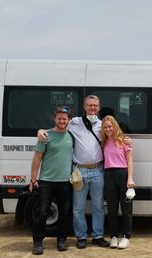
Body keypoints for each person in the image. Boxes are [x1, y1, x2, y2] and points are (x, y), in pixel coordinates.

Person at [38, 95, 111, 249]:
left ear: (99, 107)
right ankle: (81, 237)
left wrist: (126, 140)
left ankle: (98, 236)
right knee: (78, 207)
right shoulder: (75, 122)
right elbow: (58, 125)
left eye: (95, 106)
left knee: (98, 206)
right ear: (84, 107)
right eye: (89, 105)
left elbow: (115, 135)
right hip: (79, 171)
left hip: (98, 170)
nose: (92, 108)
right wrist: (40, 131)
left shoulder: (102, 124)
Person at [29, 106, 74, 255]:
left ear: (69, 120)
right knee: (42, 212)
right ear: (55, 119)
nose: (62, 121)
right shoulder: (45, 136)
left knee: (65, 213)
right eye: (59, 118)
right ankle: (37, 242)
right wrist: (33, 179)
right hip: (46, 181)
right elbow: (37, 159)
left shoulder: (71, 136)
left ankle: (61, 240)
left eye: (65, 118)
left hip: (65, 182)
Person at [100, 115, 135, 249]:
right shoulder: (103, 142)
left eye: (110, 126)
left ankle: (126, 237)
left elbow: (130, 161)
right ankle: (113, 236)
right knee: (112, 209)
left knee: (126, 210)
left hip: (123, 174)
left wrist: (130, 178)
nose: (108, 129)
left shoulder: (124, 141)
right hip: (109, 175)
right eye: (105, 127)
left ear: (115, 126)